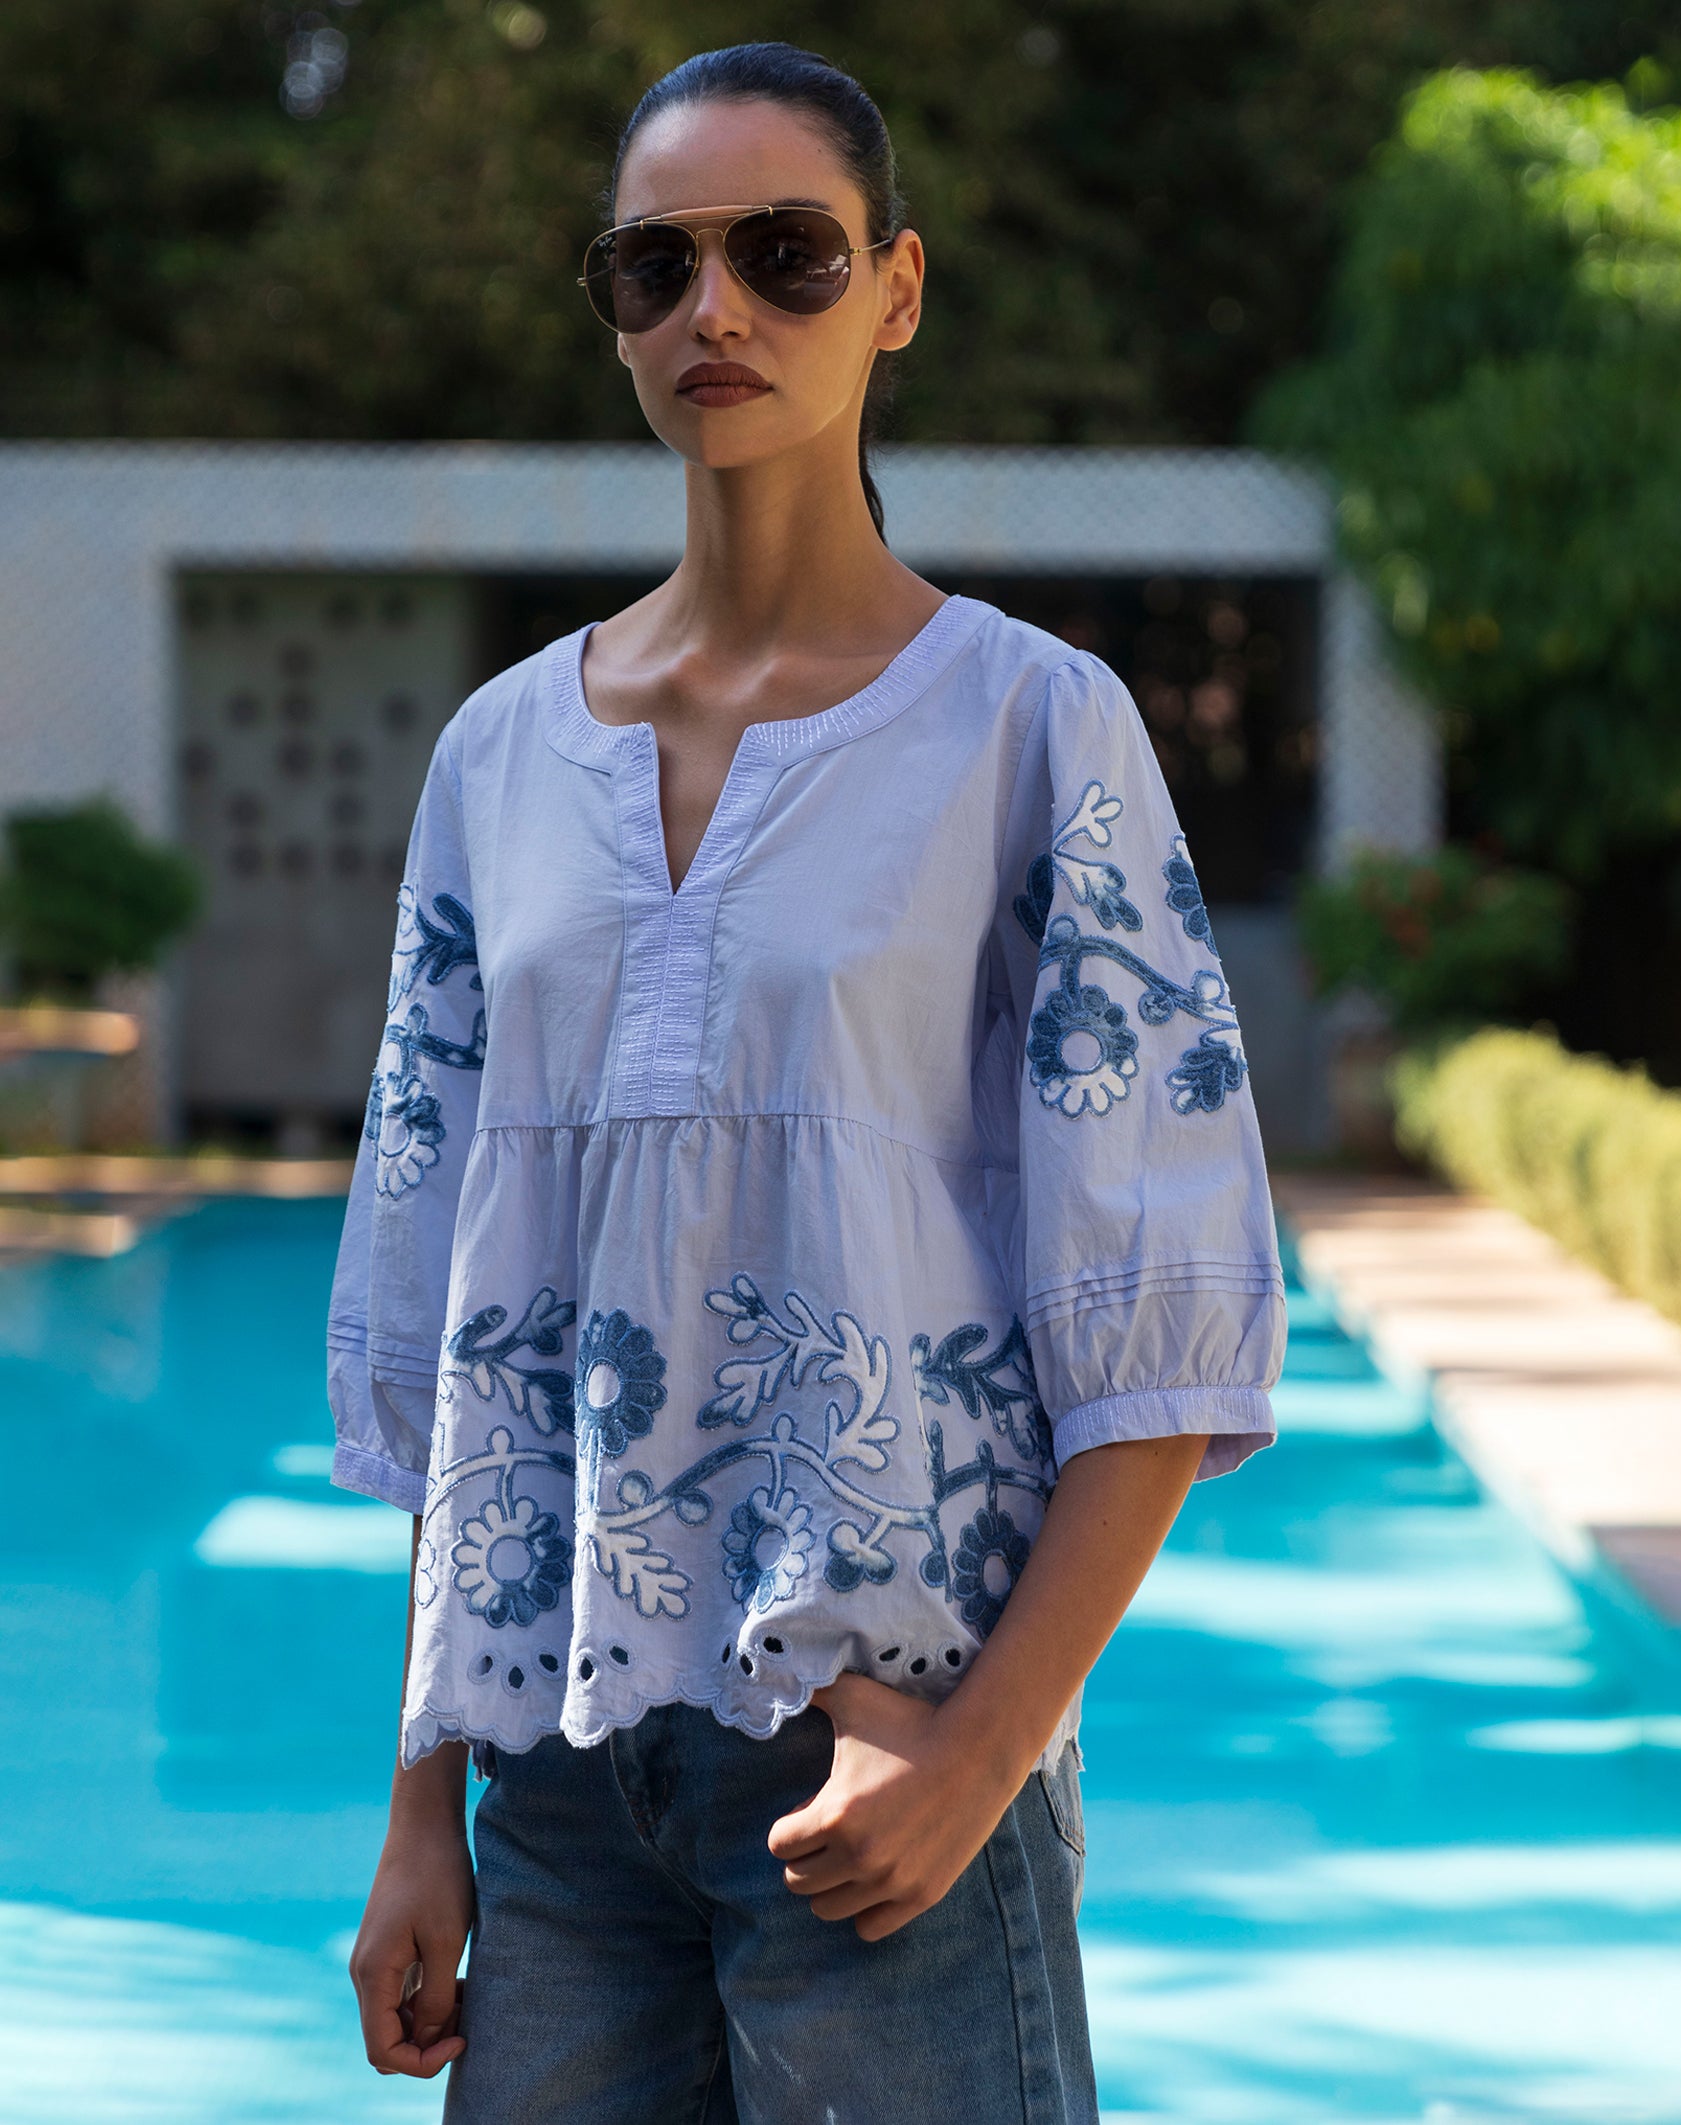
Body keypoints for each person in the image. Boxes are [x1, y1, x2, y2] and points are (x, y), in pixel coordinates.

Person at [326, 40, 1286, 2125]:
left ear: (897, 287)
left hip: (893, 1758)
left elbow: (1159, 1319)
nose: (715, 313)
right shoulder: (495, 758)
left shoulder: (1034, 729)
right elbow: (445, 1324)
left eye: (783, 252)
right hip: (561, 1794)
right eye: (652, 269)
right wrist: (424, 1812)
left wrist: (977, 1758)